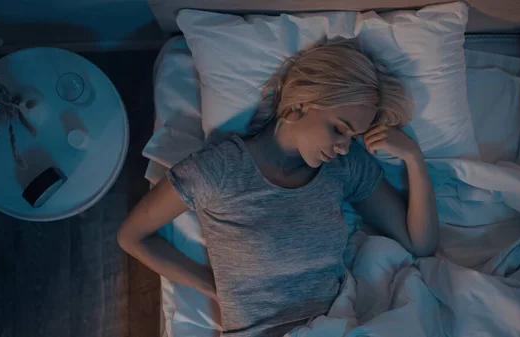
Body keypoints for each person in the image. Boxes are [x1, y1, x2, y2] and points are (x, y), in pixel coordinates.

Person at [117, 40, 439, 336]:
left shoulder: (344, 167)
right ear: (298, 105)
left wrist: (413, 158)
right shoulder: (217, 171)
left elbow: (419, 243)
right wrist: (208, 283)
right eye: (339, 129)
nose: (343, 146)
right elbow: (131, 236)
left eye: (353, 137)